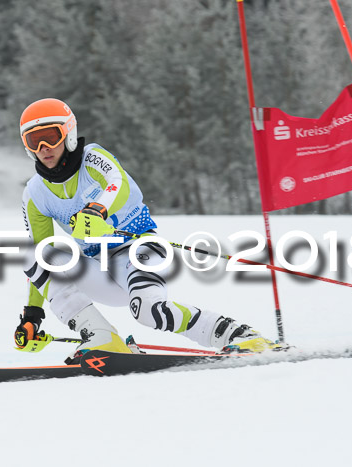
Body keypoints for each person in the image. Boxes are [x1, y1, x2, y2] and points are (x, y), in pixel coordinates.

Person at [14, 98, 279, 360]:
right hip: (101, 269)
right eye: (34, 141)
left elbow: (119, 183)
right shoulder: (35, 193)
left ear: (68, 134)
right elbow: (41, 260)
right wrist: (32, 316)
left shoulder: (92, 158)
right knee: (32, 253)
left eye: (51, 136)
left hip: (140, 250)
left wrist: (98, 209)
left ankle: (238, 335)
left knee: (149, 312)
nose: (44, 148)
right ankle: (101, 337)